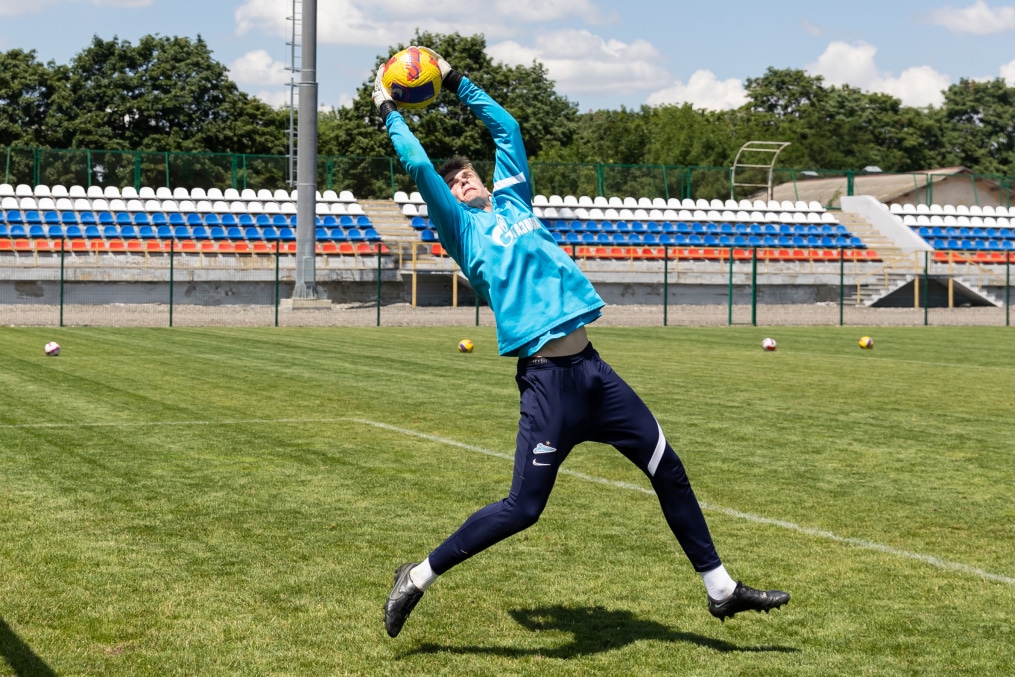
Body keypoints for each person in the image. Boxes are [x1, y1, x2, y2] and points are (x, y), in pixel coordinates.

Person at [374, 46, 790, 638]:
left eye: (465, 174)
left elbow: (507, 128)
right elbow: (418, 168)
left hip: (595, 372)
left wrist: (455, 79)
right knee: (523, 510)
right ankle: (416, 576)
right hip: (549, 385)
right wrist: (390, 112)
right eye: (452, 182)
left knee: (666, 468)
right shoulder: (462, 230)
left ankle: (720, 590)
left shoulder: (516, 201)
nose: (460, 181)